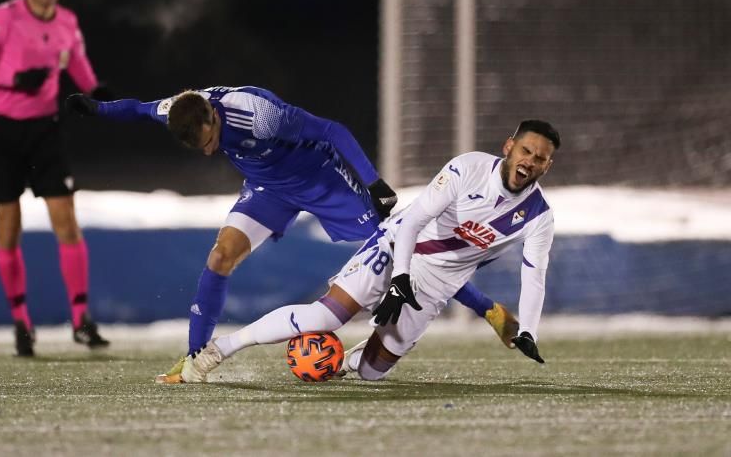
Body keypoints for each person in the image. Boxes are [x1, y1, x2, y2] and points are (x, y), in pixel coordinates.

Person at [65, 86, 518, 378]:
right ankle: (196, 357)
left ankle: (489, 310)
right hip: (269, 188)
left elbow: (331, 130)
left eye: (210, 142)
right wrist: (95, 108)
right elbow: (136, 109)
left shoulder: (260, 116)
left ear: (214, 116)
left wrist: (373, 182)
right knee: (220, 256)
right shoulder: (178, 110)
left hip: (322, 178)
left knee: (404, 248)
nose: (208, 152)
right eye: (200, 148)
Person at [165, 119, 559, 383]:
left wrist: (529, 330)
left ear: (547, 165)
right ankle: (217, 351)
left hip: (437, 284)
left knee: (373, 372)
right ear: (509, 146)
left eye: (540, 158)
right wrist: (400, 278)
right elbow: (413, 221)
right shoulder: (468, 168)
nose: (530, 161)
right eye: (526, 150)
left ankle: (348, 360)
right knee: (325, 316)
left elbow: (534, 275)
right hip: (397, 245)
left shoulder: (539, 216)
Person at [0, 0, 110, 356]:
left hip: (45, 131)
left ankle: (80, 319)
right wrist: (12, 78)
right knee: (8, 227)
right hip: (1, 132)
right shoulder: (4, 17)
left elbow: (77, 64)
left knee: (67, 221)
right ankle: (21, 323)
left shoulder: (67, 22)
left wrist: (97, 93)